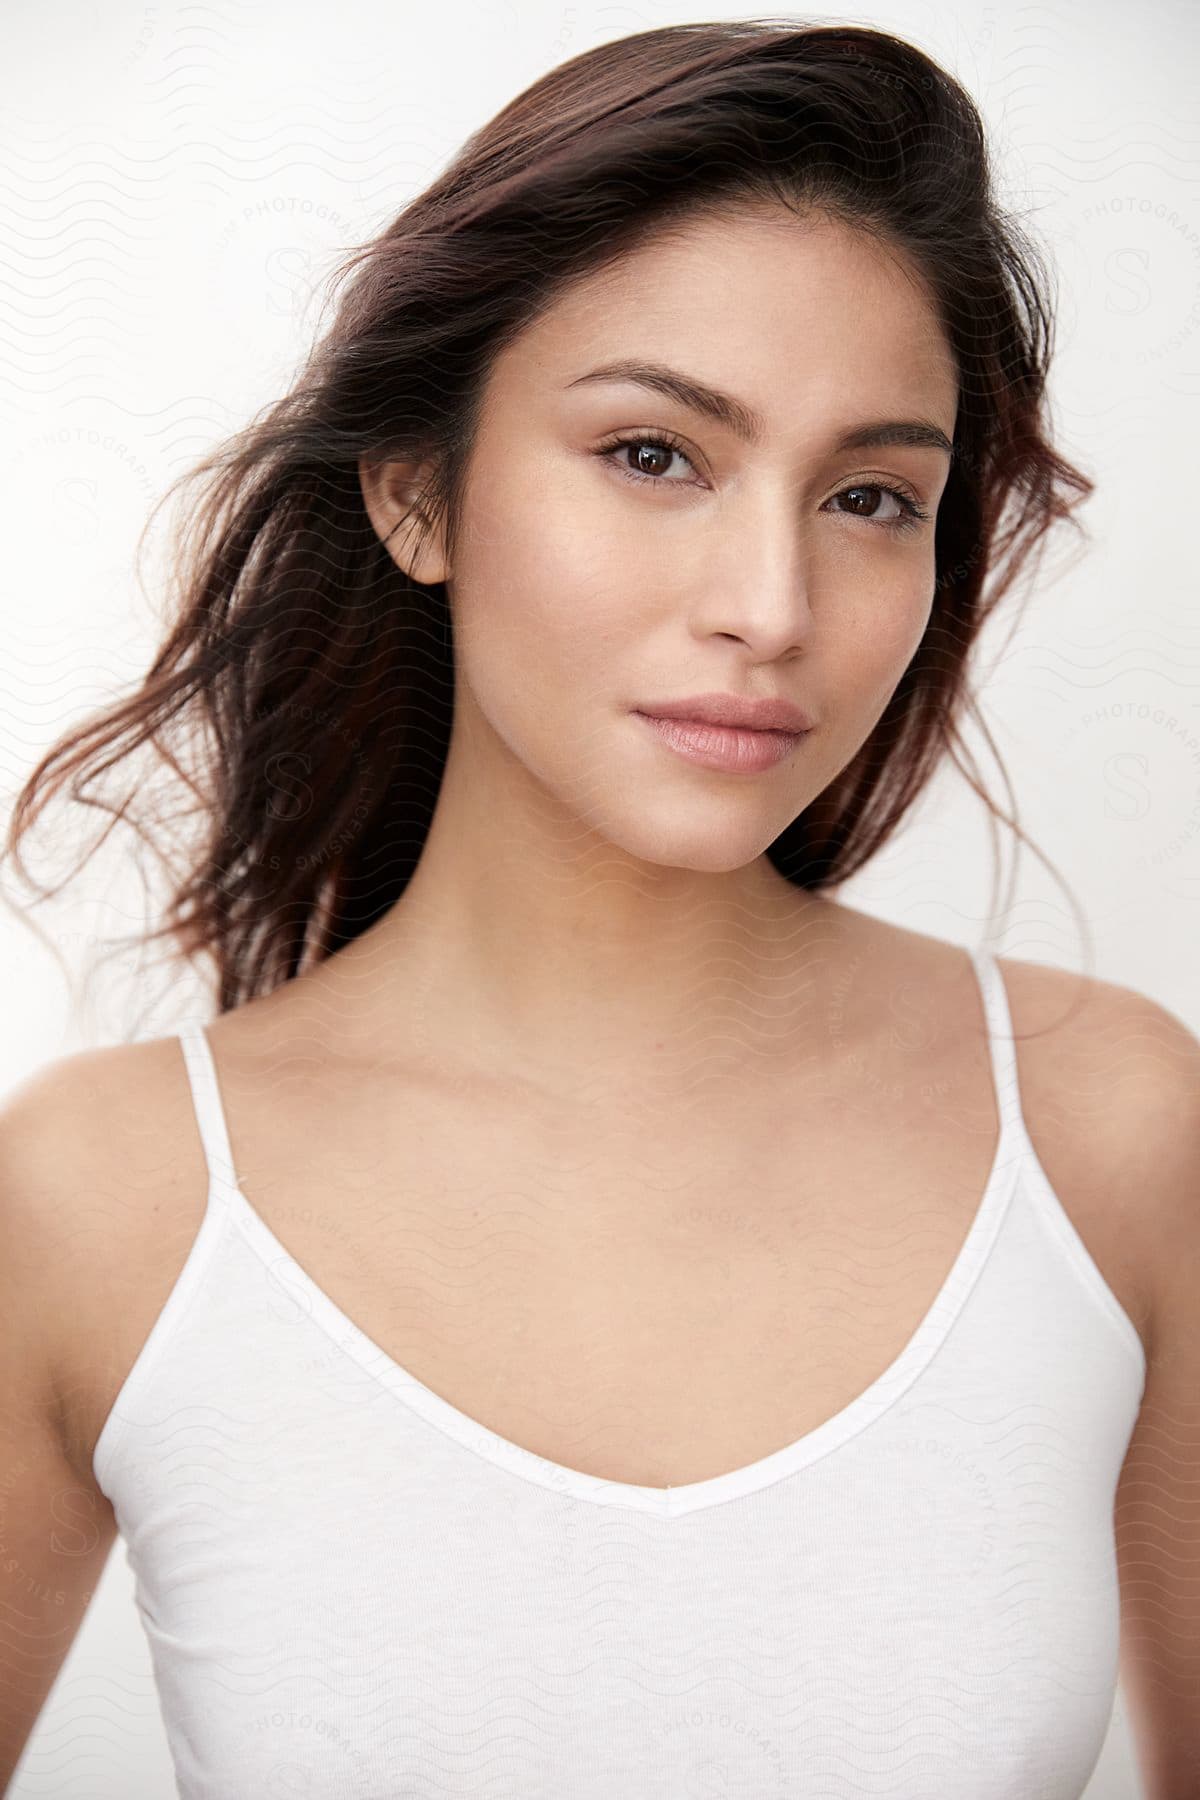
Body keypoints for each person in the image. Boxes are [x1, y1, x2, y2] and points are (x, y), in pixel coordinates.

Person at [1, 18, 1196, 1799]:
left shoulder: (1115, 1127)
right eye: (654, 454)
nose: (770, 603)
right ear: (419, 489)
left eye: (873, 496)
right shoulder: (105, 1202)